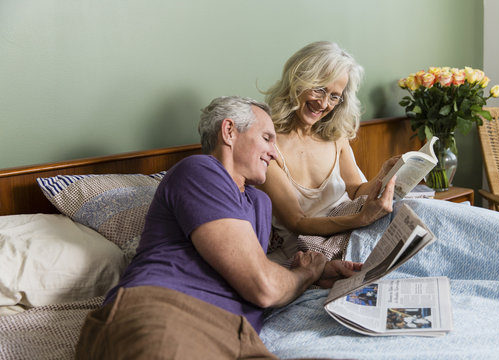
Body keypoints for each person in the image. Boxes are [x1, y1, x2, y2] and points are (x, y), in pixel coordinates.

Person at [75, 96, 361, 360]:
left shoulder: (259, 202)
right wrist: (306, 272)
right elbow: (263, 286)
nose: (275, 154)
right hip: (168, 311)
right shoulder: (200, 171)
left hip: (240, 334)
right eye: (266, 138)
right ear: (229, 131)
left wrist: (316, 273)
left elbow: (248, 271)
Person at [259, 41, 399, 264]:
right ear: (298, 81)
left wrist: (385, 174)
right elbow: (297, 222)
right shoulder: (267, 145)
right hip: (309, 246)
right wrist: (360, 219)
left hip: (353, 226)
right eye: (319, 89)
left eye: (334, 96)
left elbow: (355, 191)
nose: (324, 103)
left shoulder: (335, 136)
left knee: (417, 211)